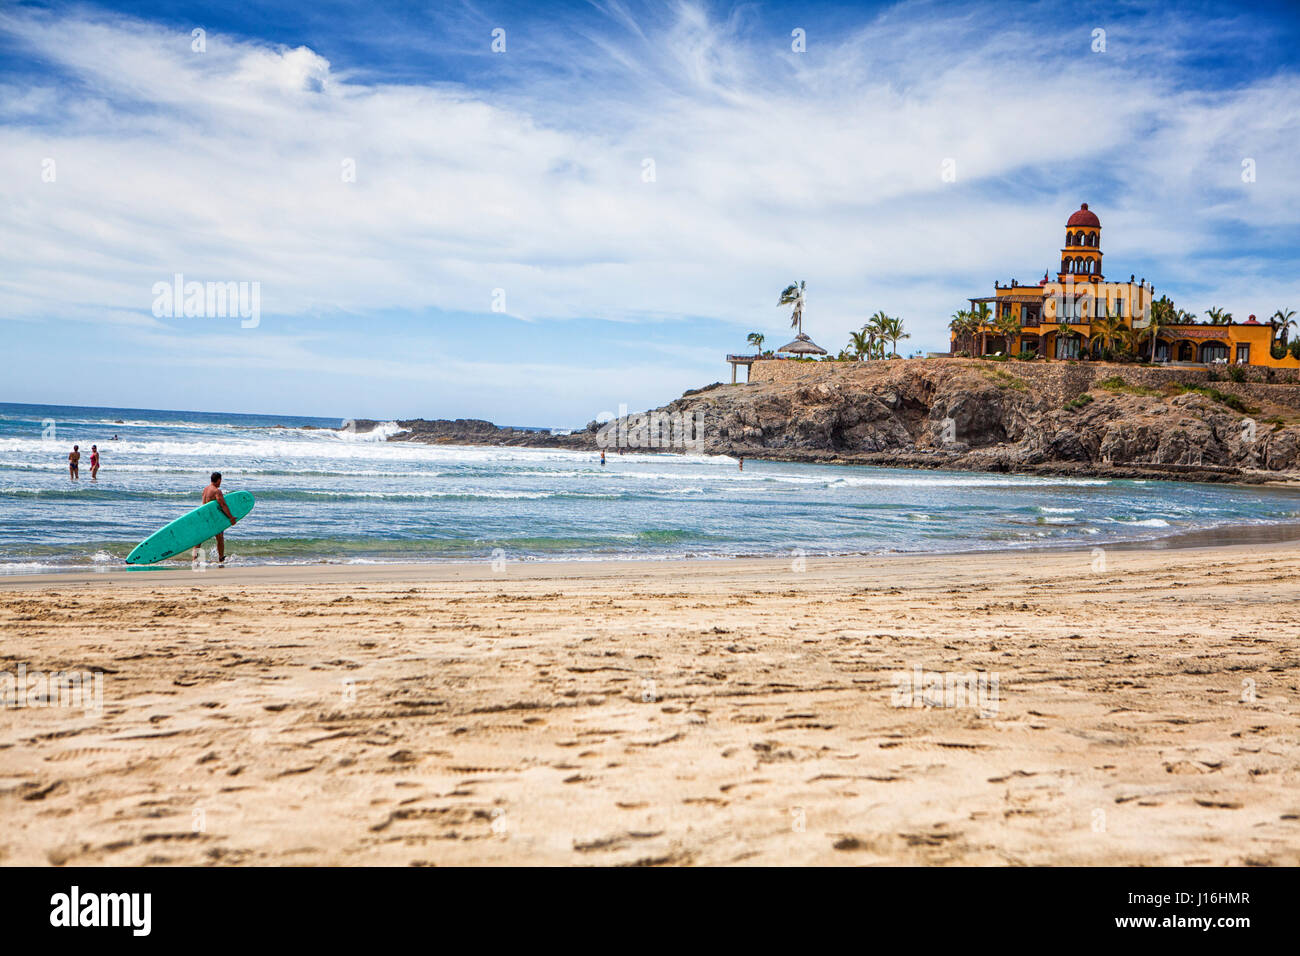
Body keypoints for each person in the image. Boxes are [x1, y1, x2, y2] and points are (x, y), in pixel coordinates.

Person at [195, 472, 238, 565]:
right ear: (218, 480)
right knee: (220, 537)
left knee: (199, 539)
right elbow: (222, 505)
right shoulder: (216, 491)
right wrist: (231, 517)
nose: (220, 482)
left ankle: (194, 559)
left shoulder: (206, 489)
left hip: (204, 516)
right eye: (220, 480)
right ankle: (221, 558)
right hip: (212, 518)